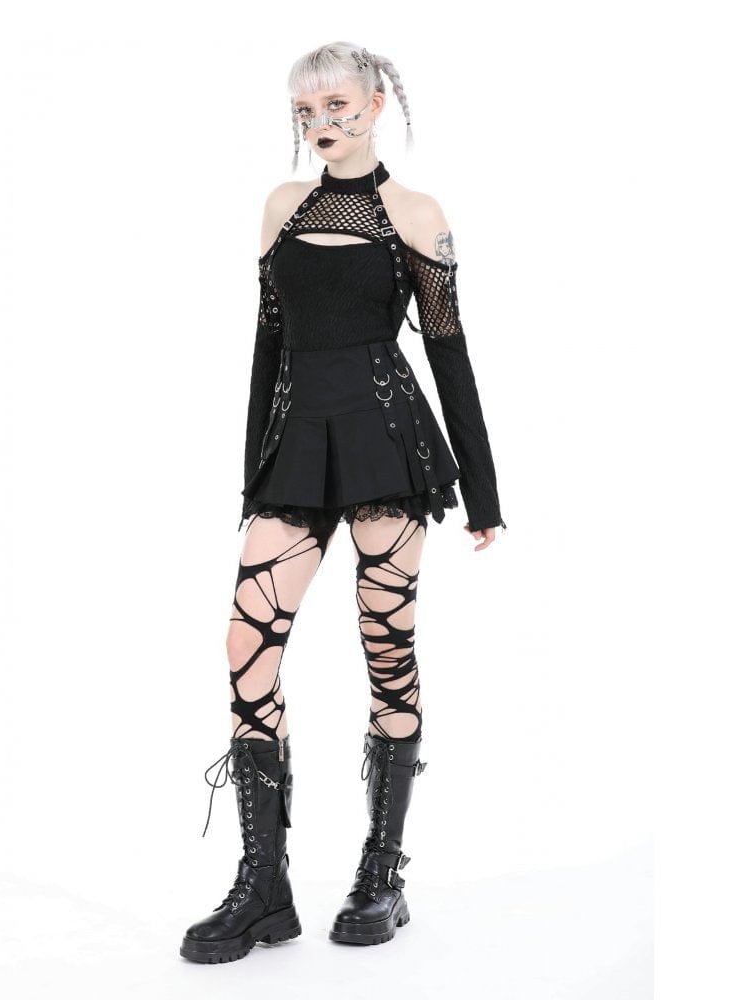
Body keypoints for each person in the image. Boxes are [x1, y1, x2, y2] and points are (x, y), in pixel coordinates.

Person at [179, 41, 506, 964]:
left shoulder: (416, 214)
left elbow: (449, 356)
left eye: (334, 104)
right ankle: (263, 885)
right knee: (246, 647)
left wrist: (483, 494)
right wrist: (255, 475)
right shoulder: (282, 207)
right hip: (296, 448)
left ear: (375, 103)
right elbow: (266, 348)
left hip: (387, 447)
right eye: (304, 109)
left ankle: (381, 872)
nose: (319, 121)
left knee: (386, 648)